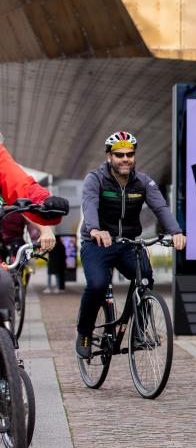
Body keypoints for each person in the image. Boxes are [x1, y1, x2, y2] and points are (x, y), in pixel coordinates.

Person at [76, 131, 186, 359]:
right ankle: (84, 333)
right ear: (109, 157)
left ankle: (139, 332)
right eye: (119, 155)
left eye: (130, 154)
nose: (125, 159)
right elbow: (89, 205)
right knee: (97, 285)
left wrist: (176, 232)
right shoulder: (95, 179)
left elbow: (161, 208)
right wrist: (95, 229)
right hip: (97, 242)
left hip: (128, 243)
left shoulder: (143, 182)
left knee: (144, 277)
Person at [0, 140, 68, 328]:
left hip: (10, 239)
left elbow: (21, 187)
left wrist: (45, 204)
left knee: (3, 281)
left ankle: (7, 345)